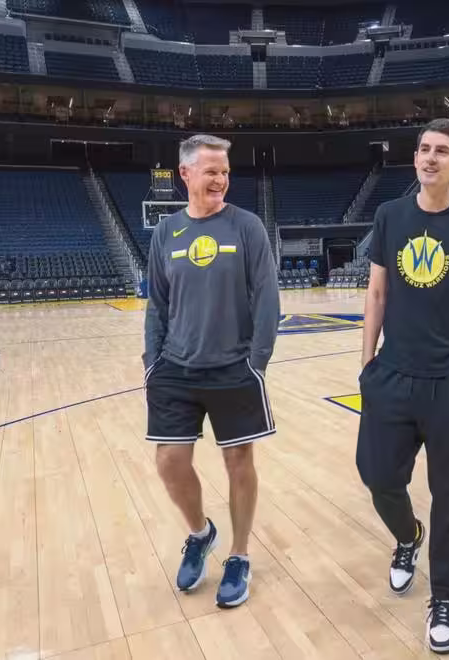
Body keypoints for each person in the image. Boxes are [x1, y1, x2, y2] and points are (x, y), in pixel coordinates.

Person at [356, 118, 449, 654]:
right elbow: (377, 293)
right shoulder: (390, 216)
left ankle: (443, 597)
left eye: (442, 151)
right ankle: (407, 537)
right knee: (377, 477)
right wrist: (367, 364)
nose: (430, 157)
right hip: (392, 376)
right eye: (423, 148)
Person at [143, 134, 280, 608]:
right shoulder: (166, 233)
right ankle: (201, 533)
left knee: (238, 462)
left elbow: (267, 297)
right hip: (175, 367)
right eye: (211, 171)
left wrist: (257, 361)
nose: (220, 179)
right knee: (169, 461)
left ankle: (239, 555)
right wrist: (151, 362)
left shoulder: (247, 227)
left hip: (234, 366)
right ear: (185, 174)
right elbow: (157, 304)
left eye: (224, 171)